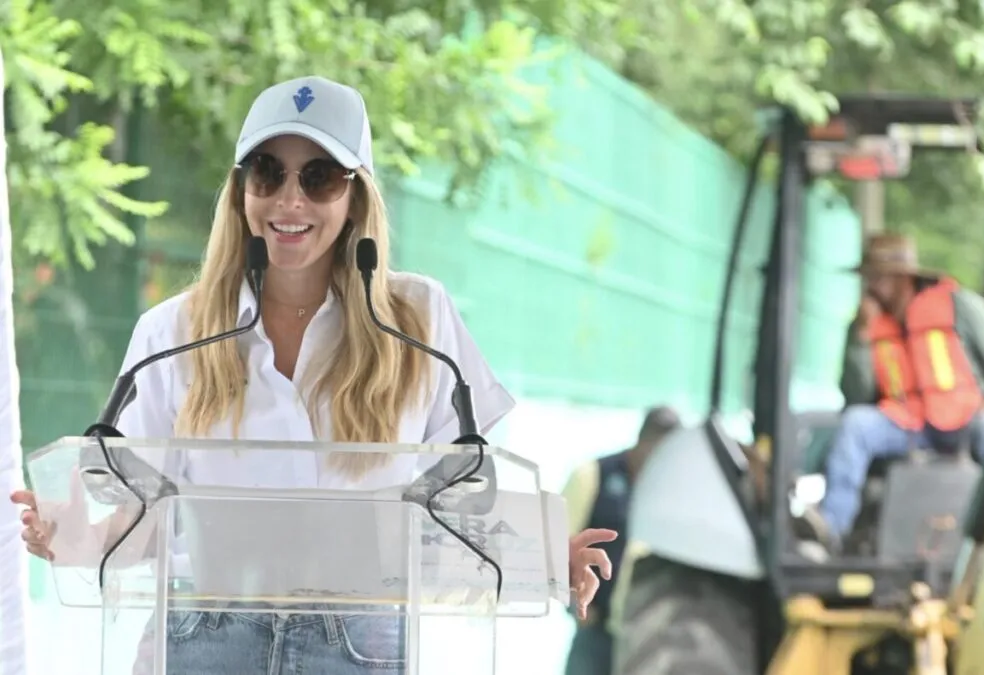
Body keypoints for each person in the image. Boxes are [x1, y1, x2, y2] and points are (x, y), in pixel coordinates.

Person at [10, 75, 616, 674]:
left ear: (356, 196)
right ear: (241, 191)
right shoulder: (172, 333)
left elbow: (453, 501)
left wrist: (541, 558)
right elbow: (143, 526)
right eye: (267, 173)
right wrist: (72, 537)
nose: (289, 201)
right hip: (203, 638)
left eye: (319, 176)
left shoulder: (419, 323)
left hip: (358, 642)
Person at [795, 233, 984, 555]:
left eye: (877, 277)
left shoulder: (959, 305)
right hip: (911, 425)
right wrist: (860, 338)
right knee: (857, 425)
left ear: (902, 279)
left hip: (966, 418)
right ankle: (831, 529)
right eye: (869, 277)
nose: (870, 286)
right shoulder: (867, 325)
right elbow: (856, 396)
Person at [560, 405, 681, 675]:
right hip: (595, 630)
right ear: (642, 441)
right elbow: (557, 545)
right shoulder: (593, 475)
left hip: (646, 636)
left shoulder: (670, 493)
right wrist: (572, 601)